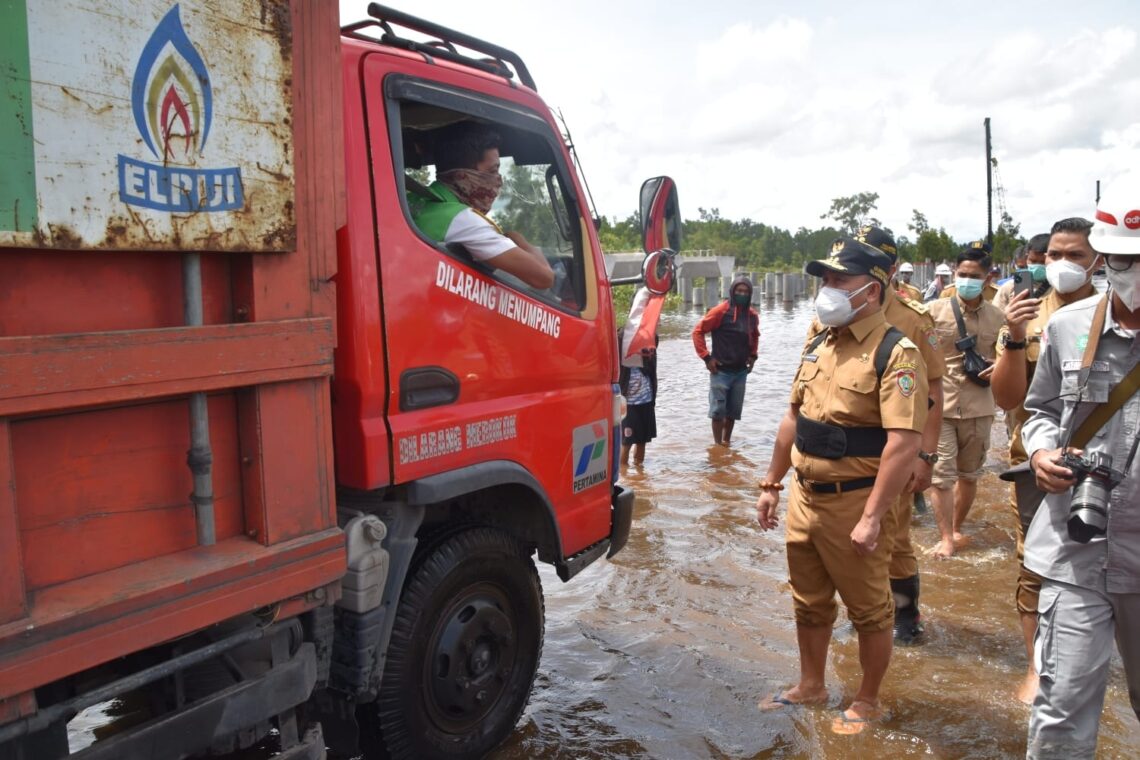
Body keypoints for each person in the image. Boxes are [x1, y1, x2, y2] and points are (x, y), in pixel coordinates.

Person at [755, 238, 928, 733]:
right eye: (824, 279)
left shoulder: (897, 352)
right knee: (807, 600)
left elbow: (902, 443)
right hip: (805, 497)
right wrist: (771, 483)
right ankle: (811, 685)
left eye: (838, 280)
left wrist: (874, 516)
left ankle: (867, 701)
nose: (826, 289)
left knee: (870, 609)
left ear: (871, 291)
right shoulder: (818, 341)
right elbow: (794, 418)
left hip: (855, 500)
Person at [1020, 189, 1140, 757]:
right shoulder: (1067, 327)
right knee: (1061, 709)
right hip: (1077, 546)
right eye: (1123, 260)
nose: (1133, 273)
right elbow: (1039, 409)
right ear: (1101, 259)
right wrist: (1042, 451)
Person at [991, 218, 1101, 704]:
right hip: (1038, 464)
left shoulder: (1118, 313)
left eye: (1074, 256)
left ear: (1099, 259)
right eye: (1053, 255)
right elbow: (1007, 398)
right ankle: (1038, 667)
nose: (1062, 265)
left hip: (1113, 467)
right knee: (1034, 569)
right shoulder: (1027, 316)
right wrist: (1014, 336)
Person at [850, 227, 946, 643]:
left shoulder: (913, 318)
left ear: (889, 270)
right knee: (847, 536)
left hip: (896, 447)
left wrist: (925, 457)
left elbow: (936, 391)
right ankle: (864, 612)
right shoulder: (830, 314)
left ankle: (905, 616)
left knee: (896, 535)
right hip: (845, 452)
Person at [926, 243, 1004, 558]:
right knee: (941, 475)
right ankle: (946, 538)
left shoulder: (999, 318)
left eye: (975, 275)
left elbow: (1009, 357)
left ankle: (957, 527)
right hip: (941, 407)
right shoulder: (933, 311)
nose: (967, 280)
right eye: (962, 274)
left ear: (988, 278)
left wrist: (1001, 365)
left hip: (980, 407)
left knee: (969, 475)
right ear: (954, 274)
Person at [409, 121, 554, 289]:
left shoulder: (413, 200)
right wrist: (516, 237)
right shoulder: (463, 220)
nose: (499, 181)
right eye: (492, 171)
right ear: (464, 175)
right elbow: (544, 277)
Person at [692, 276, 760, 446]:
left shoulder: (752, 315)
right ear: (732, 291)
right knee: (718, 412)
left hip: (740, 372)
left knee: (733, 412)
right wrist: (706, 357)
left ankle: (726, 443)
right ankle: (717, 446)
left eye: (746, 292)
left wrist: (753, 356)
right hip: (720, 371)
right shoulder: (720, 311)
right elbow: (698, 331)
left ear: (750, 294)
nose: (742, 294)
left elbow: (755, 335)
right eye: (739, 291)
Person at [618, 330, 658, 467]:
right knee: (626, 441)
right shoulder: (622, 339)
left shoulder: (648, 344)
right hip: (628, 403)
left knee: (642, 441)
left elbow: (655, 341)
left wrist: (647, 332)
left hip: (646, 400)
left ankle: (639, 473)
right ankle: (623, 472)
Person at [993, 235, 1050, 312]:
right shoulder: (1009, 288)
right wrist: (1007, 318)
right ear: (1027, 258)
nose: (1037, 266)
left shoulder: (1061, 287)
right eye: (1033, 261)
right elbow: (994, 319)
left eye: (1042, 262)